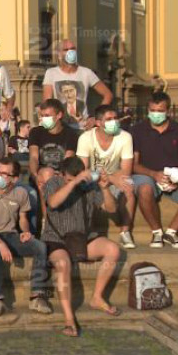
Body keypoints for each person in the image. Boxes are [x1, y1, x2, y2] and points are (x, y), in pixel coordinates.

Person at [43, 157, 121, 337]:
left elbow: (111, 209)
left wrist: (104, 188)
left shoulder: (89, 185)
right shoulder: (53, 183)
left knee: (113, 250)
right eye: (69, 179)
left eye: (77, 178)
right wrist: (74, 182)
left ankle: (97, 297)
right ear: (61, 175)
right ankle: (69, 318)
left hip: (81, 238)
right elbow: (53, 202)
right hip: (56, 238)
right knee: (63, 264)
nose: (75, 182)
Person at [0, 158, 52, 317]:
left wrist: (25, 231)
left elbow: (23, 218)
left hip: (11, 235)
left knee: (40, 247)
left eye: (4, 174)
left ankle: (37, 295)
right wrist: (1, 244)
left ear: (14, 178)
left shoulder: (21, 193)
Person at [131, 92, 178, 248]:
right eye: (152, 110)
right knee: (144, 188)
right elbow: (133, 164)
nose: (155, 114)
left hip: (173, 175)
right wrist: (154, 174)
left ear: (168, 111)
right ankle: (157, 232)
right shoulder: (137, 130)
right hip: (147, 174)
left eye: (160, 111)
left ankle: (172, 232)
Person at [76, 105, 137, 249]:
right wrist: (107, 178)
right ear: (98, 122)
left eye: (116, 118)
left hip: (116, 178)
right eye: (109, 119)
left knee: (128, 187)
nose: (114, 122)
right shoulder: (86, 138)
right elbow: (83, 169)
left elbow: (126, 170)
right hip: (92, 179)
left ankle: (125, 231)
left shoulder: (125, 137)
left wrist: (110, 178)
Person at [42, 39, 114, 129]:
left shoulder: (86, 73)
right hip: (60, 128)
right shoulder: (51, 73)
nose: (70, 52)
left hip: (82, 128)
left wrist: (96, 117)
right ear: (59, 54)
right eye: (66, 50)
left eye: (73, 49)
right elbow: (47, 102)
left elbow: (108, 95)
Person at [28, 99, 79, 219]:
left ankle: (49, 219)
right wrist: (35, 174)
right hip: (41, 173)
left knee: (49, 176)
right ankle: (47, 218)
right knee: (46, 174)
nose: (43, 118)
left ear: (59, 115)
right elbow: (34, 157)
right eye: (42, 115)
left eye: (47, 115)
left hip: (62, 174)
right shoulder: (36, 132)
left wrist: (59, 175)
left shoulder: (70, 134)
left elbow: (68, 159)